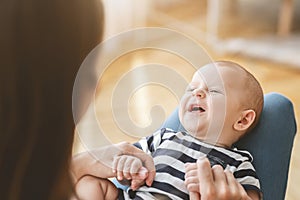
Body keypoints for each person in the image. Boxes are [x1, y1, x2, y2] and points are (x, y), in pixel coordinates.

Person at [73, 61, 263, 200]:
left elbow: (250, 196)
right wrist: (127, 166)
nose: (197, 93)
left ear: (243, 119)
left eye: (214, 91)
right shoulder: (163, 136)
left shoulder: (239, 162)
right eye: (191, 89)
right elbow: (130, 164)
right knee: (90, 184)